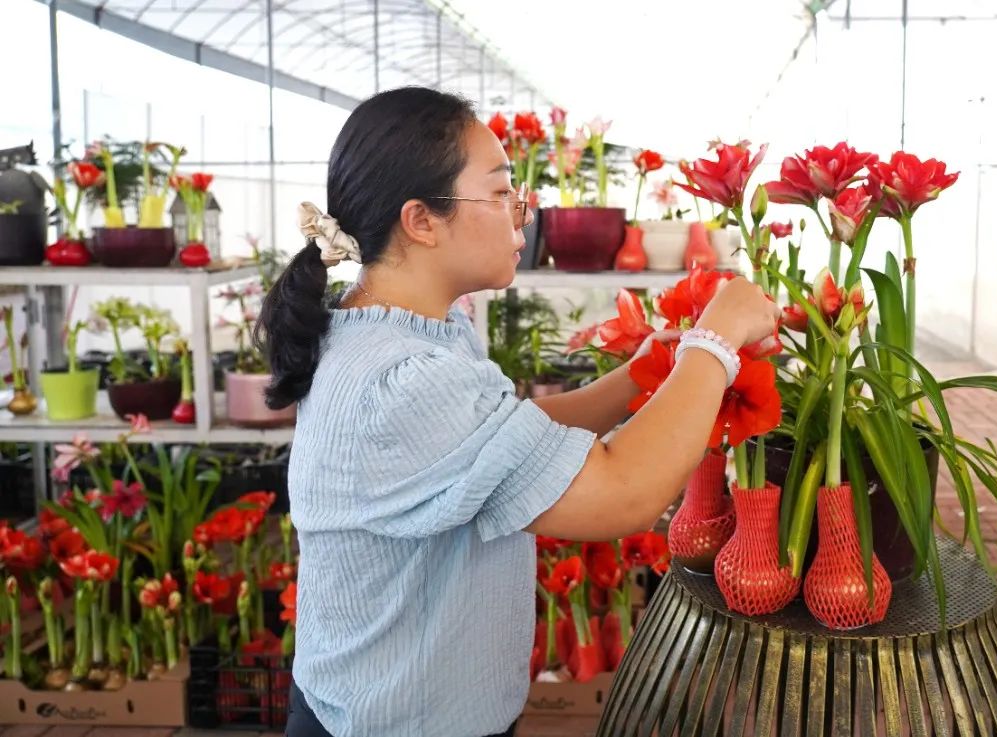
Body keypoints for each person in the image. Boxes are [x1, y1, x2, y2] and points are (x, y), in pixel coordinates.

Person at [254, 86, 780, 737]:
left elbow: (508, 439)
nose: (520, 214)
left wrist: (640, 375)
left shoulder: (420, 328)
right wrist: (713, 345)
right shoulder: (402, 379)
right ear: (421, 220)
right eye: (500, 192)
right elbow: (622, 493)